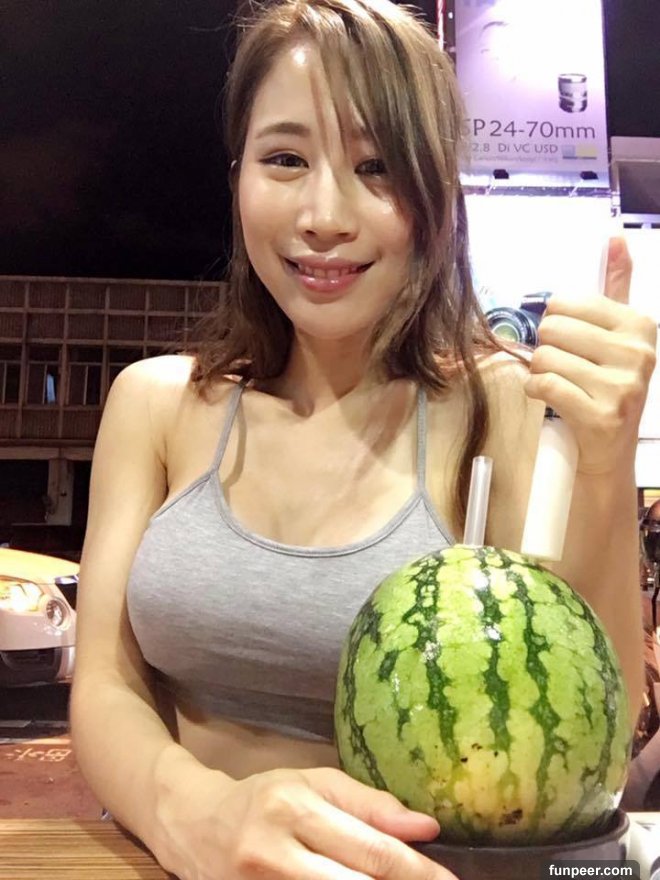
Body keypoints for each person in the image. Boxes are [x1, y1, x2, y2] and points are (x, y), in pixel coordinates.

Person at [69, 0, 658, 877]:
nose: (323, 215)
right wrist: (194, 816)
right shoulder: (155, 404)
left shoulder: (503, 409)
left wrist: (606, 461)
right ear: (238, 177)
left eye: (375, 166)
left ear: (434, 197)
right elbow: (105, 684)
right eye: (284, 159)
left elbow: (589, 734)